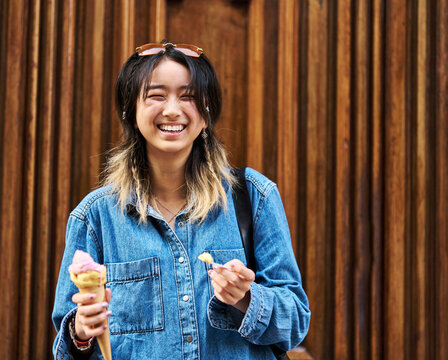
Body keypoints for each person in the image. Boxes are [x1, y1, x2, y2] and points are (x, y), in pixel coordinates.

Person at [52, 42, 310, 359]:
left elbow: (296, 321)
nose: (172, 109)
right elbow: (67, 348)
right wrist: (80, 334)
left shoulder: (253, 197)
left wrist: (245, 298)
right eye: (157, 95)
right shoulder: (95, 218)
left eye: (187, 97)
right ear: (130, 112)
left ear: (206, 115)